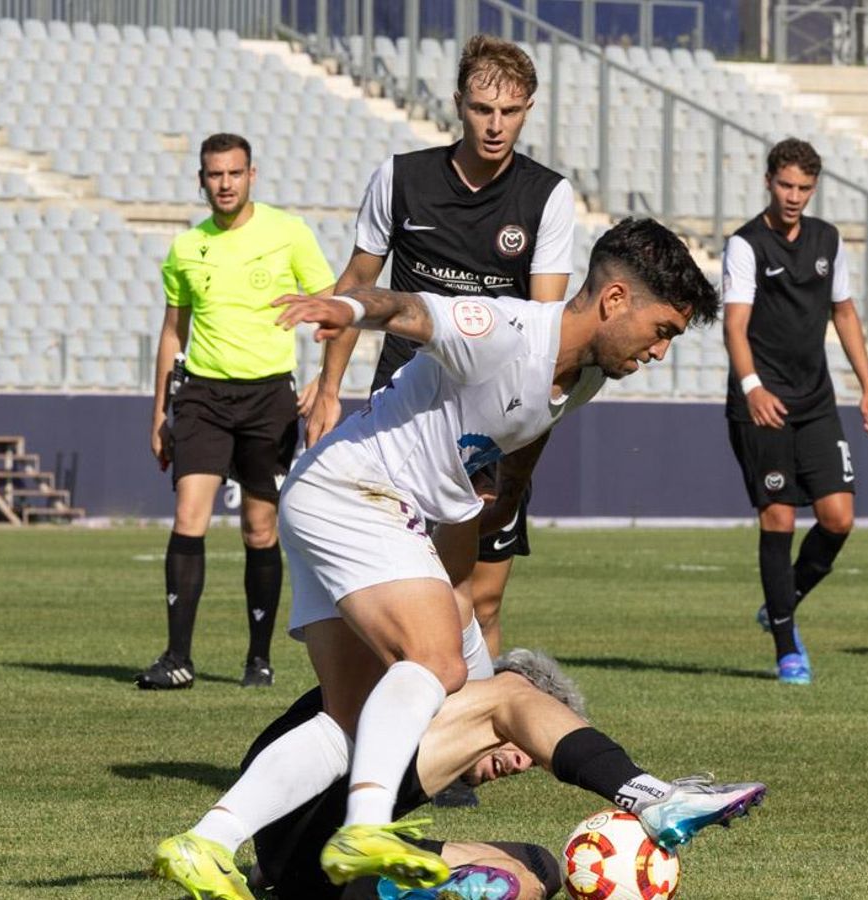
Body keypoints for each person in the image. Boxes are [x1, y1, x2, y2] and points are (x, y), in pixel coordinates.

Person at [149, 217, 730, 898]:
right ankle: (363, 829)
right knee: (435, 661)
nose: (661, 351)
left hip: (336, 494)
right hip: (356, 490)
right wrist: (348, 307)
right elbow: (412, 310)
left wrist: (503, 508)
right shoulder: (511, 331)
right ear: (614, 301)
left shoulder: (580, 382)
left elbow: (496, 474)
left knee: (348, 716)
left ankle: (206, 841)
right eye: (662, 330)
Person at [299, 34, 577, 664]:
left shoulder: (547, 197)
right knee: (398, 599)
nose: (495, 125)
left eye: (510, 112)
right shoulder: (401, 179)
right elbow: (356, 288)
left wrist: (520, 458)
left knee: (480, 602)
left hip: (490, 420)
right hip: (405, 411)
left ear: (529, 108)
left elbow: (543, 327)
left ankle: (471, 736)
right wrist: (327, 387)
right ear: (458, 103)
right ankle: (389, 737)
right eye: (483, 109)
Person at [154, 650, 767, 900]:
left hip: (308, 868)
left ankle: (409, 890)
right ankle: (649, 793)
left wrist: (267, 870)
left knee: (541, 868)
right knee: (508, 691)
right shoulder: (450, 686)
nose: (522, 763)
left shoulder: (409, 732)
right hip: (302, 823)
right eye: (528, 742)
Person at [135, 133, 336, 691]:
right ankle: (178, 658)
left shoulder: (289, 233)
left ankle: (259, 659)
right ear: (201, 181)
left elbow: (333, 308)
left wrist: (324, 380)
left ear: (252, 176)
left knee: (259, 527)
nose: (224, 184)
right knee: (189, 517)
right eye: (214, 175)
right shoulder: (184, 249)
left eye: (234, 173)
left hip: (269, 398)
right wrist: (158, 412)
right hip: (201, 396)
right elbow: (173, 331)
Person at [721, 138, 868, 687]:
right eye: (786, 185)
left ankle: (781, 601)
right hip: (762, 405)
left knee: (839, 518)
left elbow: (844, 312)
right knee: (780, 517)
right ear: (769, 181)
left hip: (815, 402)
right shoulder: (745, 246)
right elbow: (735, 326)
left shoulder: (827, 240)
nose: (794, 197)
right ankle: (787, 647)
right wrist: (752, 388)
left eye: (804, 188)